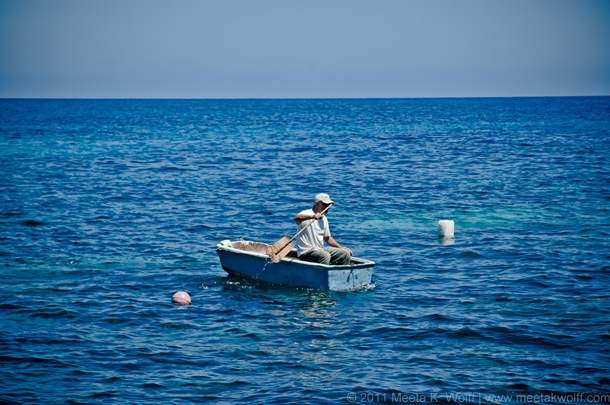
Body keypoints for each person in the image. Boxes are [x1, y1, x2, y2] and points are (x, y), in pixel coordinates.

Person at [294, 193, 352, 265]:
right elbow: (297, 218)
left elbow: (327, 238)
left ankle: (342, 273)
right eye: (325, 204)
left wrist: (341, 247)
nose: (327, 207)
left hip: (320, 250)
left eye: (328, 205)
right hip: (306, 252)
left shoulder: (324, 219)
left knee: (345, 253)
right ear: (317, 204)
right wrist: (312, 216)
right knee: (325, 256)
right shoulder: (306, 213)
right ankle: (322, 274)